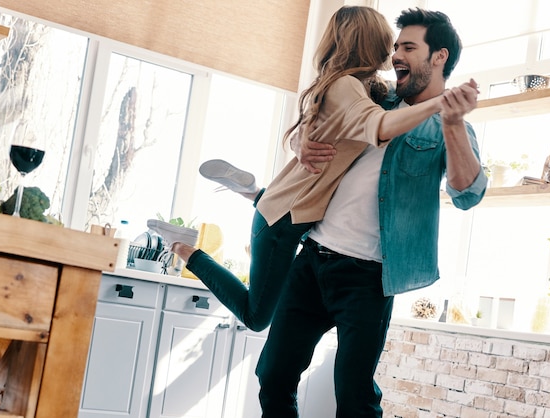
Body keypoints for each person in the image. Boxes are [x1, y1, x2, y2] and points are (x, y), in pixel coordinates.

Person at [148, 6, 469, 332]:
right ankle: (184, 247)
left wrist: (300, 138)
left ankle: (255, 191)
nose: (396, 52)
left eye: (402, 47)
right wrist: (441, 104)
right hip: (281, 224)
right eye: (392, 43)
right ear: (372, 42)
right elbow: (379, 126)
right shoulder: (350, 88)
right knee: (256, 317)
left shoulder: (372, 89)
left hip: (297, 211)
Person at [254, 7, 487, 418]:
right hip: (313, 259)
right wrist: (301, 143)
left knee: (354, 396)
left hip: (369, 278)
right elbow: (319, 119)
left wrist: (450, 121)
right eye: (396, 46)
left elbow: (467, 195)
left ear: (439, 57)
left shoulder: (453, 128)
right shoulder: (375, 98)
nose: (396, 55)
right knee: (273, 376)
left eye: (409, 47)